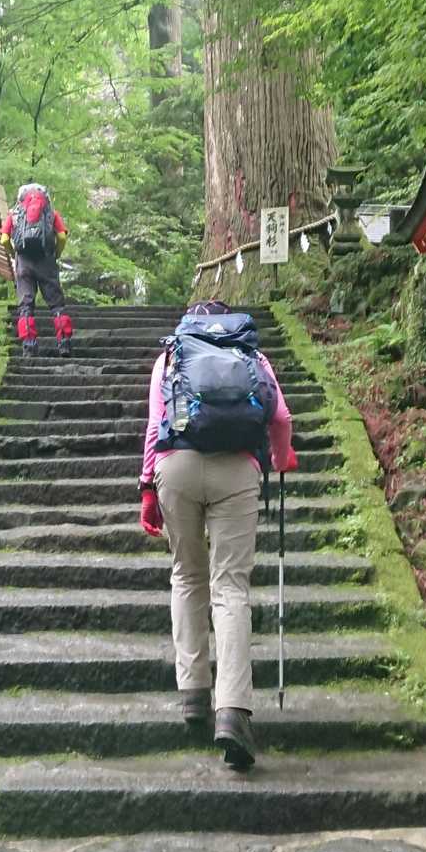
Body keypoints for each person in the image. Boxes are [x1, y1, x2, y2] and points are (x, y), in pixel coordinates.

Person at [138, 300, 297, 771]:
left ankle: (193, 692)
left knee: (187, 575)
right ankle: (232, 711)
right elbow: (281, 419)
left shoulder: (171, 355)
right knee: (230, 587)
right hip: (238, 470)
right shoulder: (252, 355)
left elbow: (154, 426)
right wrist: (281, 457)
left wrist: (147, 488)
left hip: (177, 466)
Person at [0, 182, 72, 357]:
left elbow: (4, 239)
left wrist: (13, 253)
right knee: (56, 304)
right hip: (46, 261)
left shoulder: (14, 214)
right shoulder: (51, 214)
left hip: (24, 263)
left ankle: (29, 345)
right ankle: (64, 342)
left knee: (25, 306)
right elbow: (62, 237)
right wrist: (56, 253)